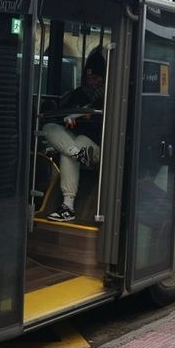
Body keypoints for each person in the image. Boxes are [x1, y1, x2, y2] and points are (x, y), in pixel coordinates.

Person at [41, 48, 106, 222]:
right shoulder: (77, 93)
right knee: (49, 127)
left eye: (95, 78)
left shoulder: (109, 98)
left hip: (94, 145)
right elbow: (60, 115)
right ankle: (77, 154)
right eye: (88, 77)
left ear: (103, 78)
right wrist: (67, 119)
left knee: (71, 148)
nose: (91, 82)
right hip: (72, 139)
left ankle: (68, 206)